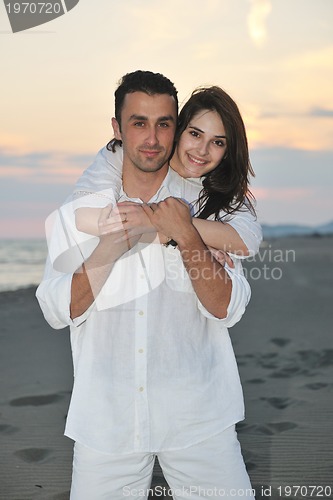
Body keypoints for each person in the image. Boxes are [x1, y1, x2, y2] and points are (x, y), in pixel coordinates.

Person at [36, 70, 256, 499]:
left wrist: (186, 235)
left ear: (176, 128)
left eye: (164, 123)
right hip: (106, 423)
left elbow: (227, 309)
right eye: (138, 122)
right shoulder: (85, 206)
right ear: (117, 129)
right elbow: (56, 309)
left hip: (198, 417)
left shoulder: (205, 205)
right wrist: (107, 250)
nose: (152, 137)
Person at [72, 85, 262, 261]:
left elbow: (248, 242)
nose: (202, 150)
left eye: (218, 142)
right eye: (195, 134)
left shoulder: (221, 190)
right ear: (179, 131)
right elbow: (86, 219)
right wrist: (185, 241)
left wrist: (168, 227)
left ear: (228, 151)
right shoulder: (124, 155)